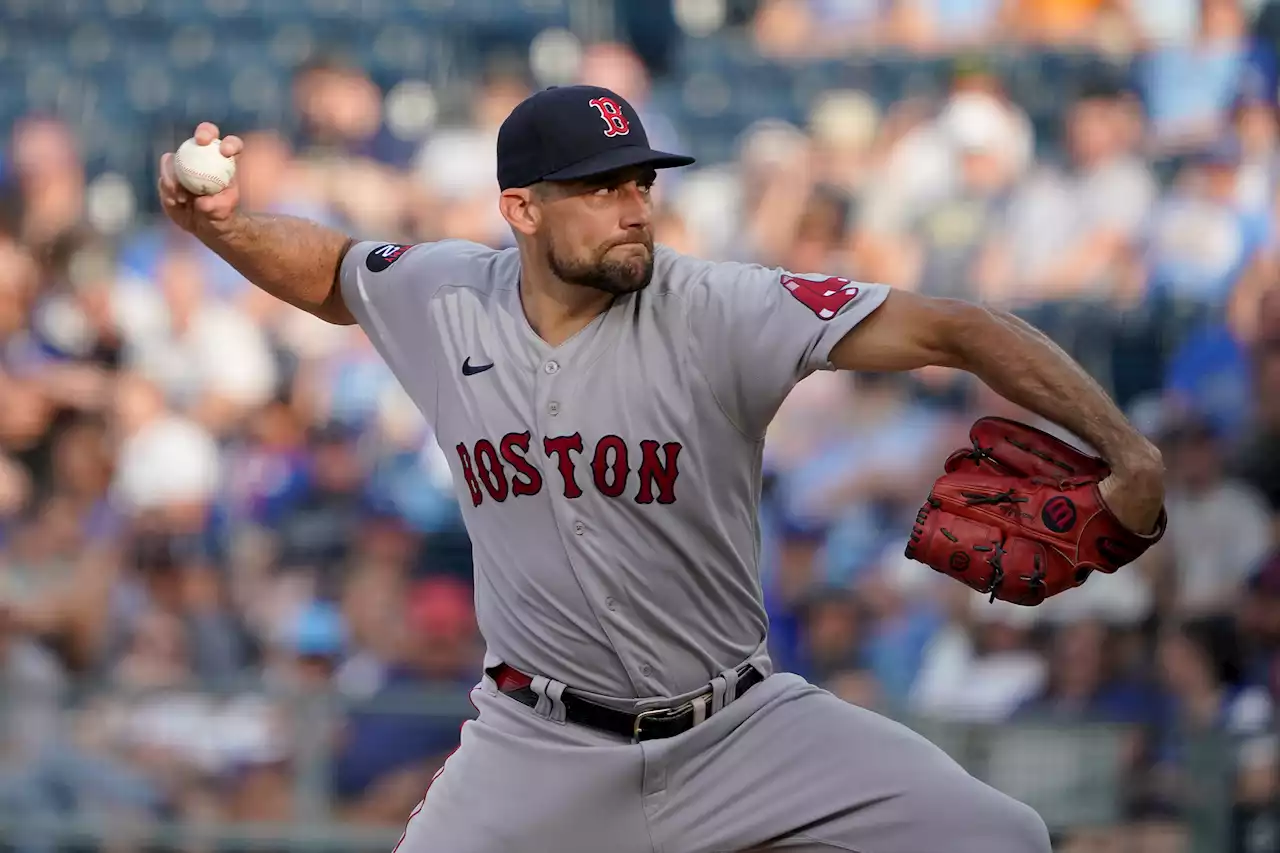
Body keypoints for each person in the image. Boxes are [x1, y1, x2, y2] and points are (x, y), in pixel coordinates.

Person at [156, 85, 1165, 853]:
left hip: (739, 728)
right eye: (599, 187)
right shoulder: (442, 295)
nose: (633, 205)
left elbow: (958, 325)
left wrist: (1127, 450)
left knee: (996, 836)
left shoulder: (724, 307)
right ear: (521, 209)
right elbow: (331, 270)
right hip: (536, 745)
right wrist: (224, 227)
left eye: (639, 181)